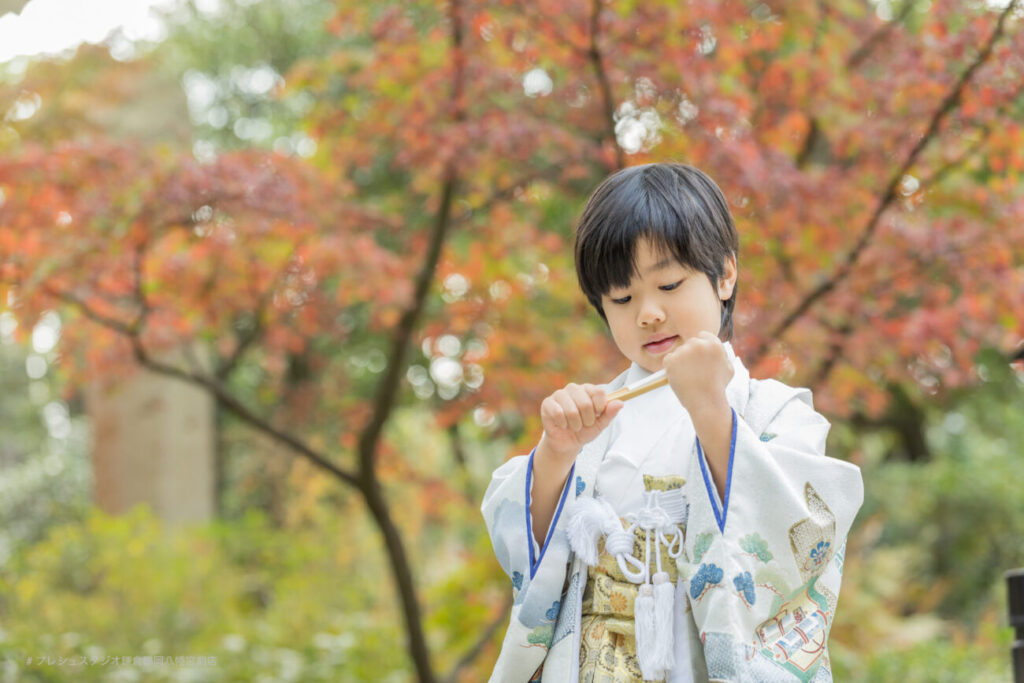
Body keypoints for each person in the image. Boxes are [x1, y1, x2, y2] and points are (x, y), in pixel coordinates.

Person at [481, 163, 864, 683]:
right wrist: (556, 453)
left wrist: (710, 410)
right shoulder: (598, 416)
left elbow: (801, 533)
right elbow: (525, 551)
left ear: (725, 275)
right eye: (622, 297)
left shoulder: (773, 411)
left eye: (668, 283)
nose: (648, 312)